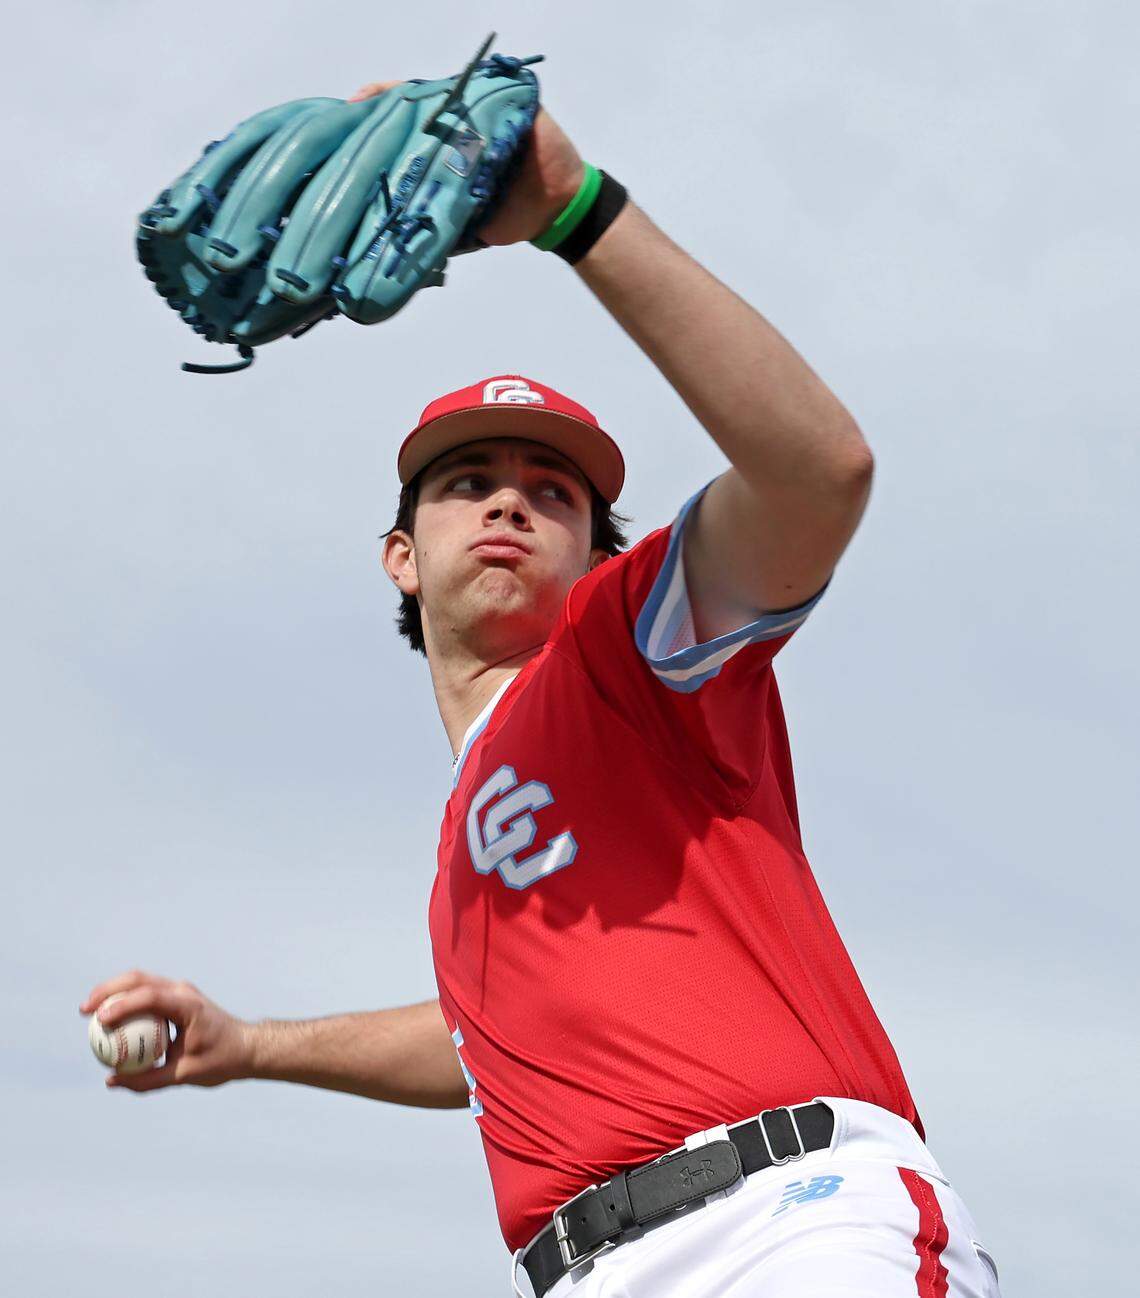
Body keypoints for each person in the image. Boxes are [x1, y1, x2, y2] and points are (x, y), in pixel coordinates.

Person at [82, 87, 1002, 1298]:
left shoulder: (630, 661)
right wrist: (254, 1044)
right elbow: (480, 1040)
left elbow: (819, 473)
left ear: (599, 559)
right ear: (401, 555)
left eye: (552, 491)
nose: (511, 500)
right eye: (468, 479)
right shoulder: (467, 841)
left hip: (792, 1223)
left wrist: (574, 211)